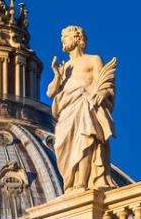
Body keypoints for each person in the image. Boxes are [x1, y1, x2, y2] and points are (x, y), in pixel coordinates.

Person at [47, 26, 117, 192]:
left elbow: (104, 83)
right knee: (64, 146)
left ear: (78, 38)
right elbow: (50, 92)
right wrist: (57, 76)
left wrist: (102, 92)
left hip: (85, 105)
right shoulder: (66, 67)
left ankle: (81, 183)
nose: (62, 39)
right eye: (62, 37)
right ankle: (70, 182)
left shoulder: (93, 60)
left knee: (85, 140)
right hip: (67, 110)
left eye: (66, 36)